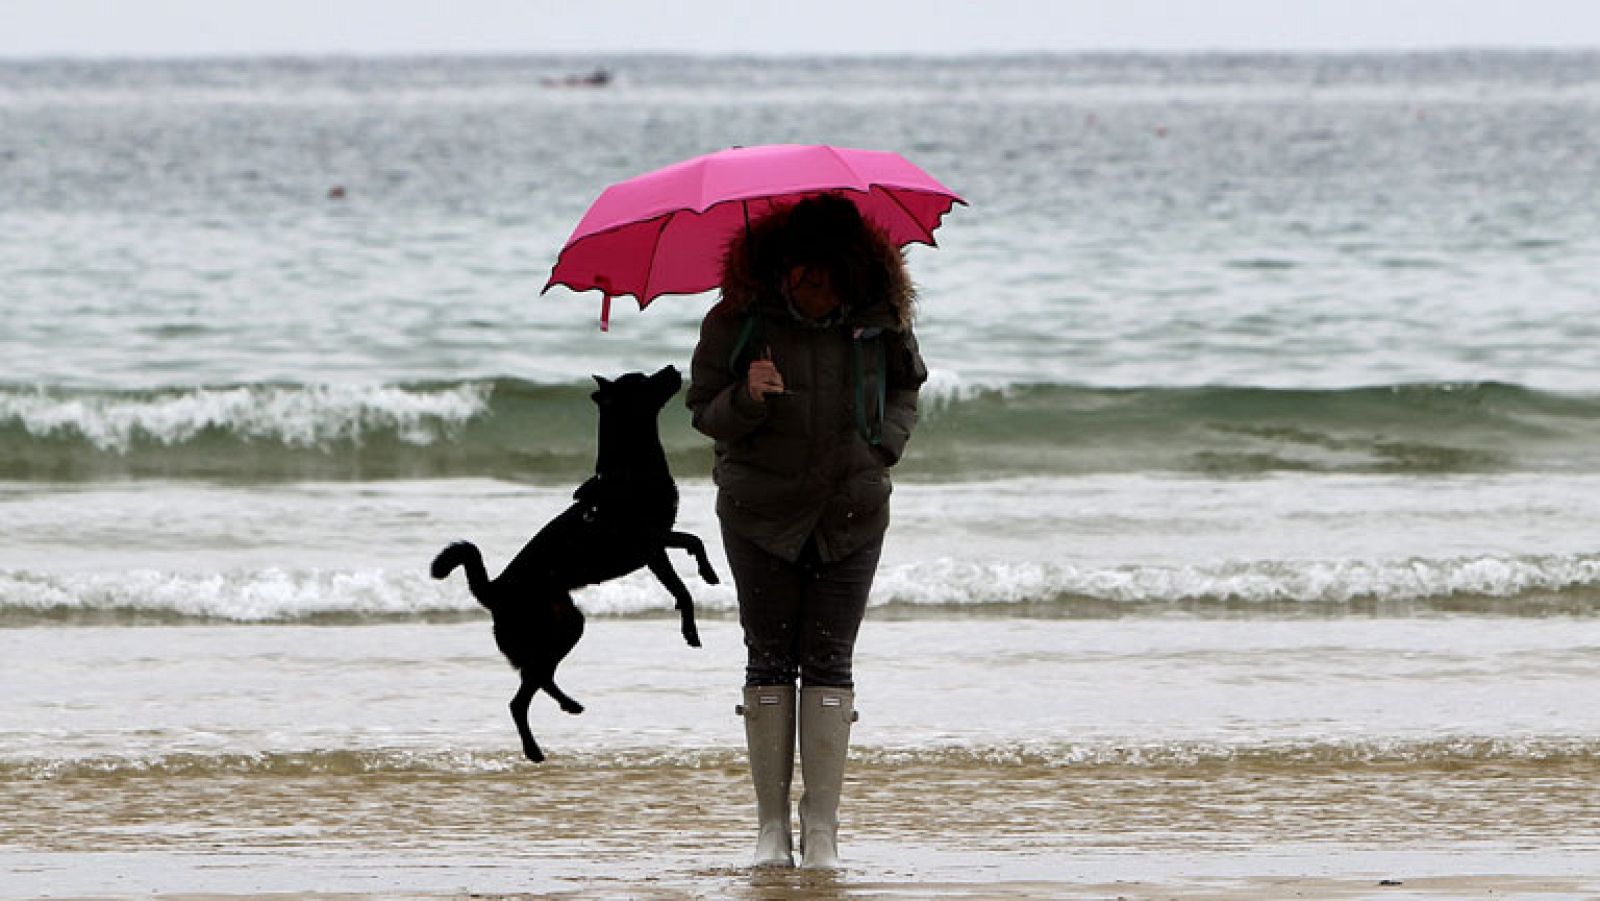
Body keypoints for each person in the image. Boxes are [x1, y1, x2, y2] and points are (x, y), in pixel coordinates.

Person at [685, 193, 928, 869]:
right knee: (768, 659)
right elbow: (703, 409)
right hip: (759, 512)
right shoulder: (738, 319)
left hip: (853, 512)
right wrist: (747, 396)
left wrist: (884, 445)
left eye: (823, 277)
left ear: (852, 271)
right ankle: (771, 828)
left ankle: (821, 828)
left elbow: (907, 387)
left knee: (830, 662)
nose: (809, 289)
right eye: (800, 275)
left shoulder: (881, 321)